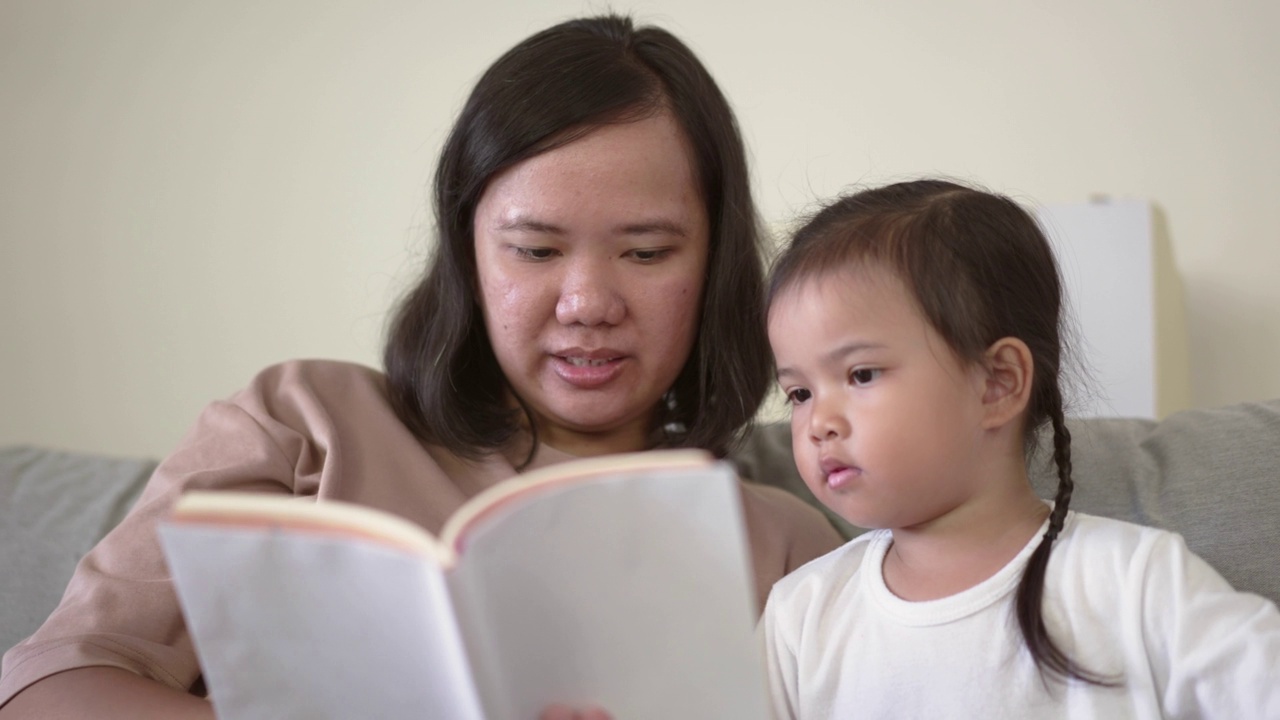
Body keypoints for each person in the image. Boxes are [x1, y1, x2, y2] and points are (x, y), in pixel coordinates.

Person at [0, 14, 843, 718]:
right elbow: (46, 688)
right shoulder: (305, 421)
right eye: (535, 249)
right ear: (469, 257)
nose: (587, 301)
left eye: (648, 252)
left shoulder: (781, 542)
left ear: (718, 262)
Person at [760, 179, 1280, 718]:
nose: (818, 421)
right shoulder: (800, 617)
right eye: (799, 393)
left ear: (998, 384)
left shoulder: (1135, 583)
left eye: (861, 374)